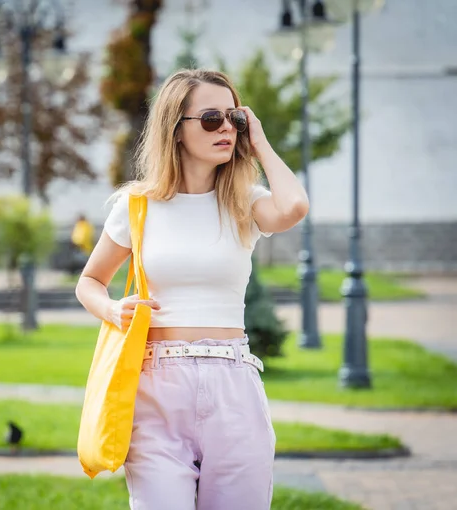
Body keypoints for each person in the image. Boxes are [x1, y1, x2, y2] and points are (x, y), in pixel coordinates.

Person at [75, 69, 309, 510]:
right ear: (175, 129)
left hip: (234, 386)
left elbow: (294, 207)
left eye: (233, 119)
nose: (225, 128)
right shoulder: (137, 205)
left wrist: (258, 140)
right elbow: (89, 282)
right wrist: (111, 309)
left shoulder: (245, 199)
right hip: (156, 388)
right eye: (209, 119)